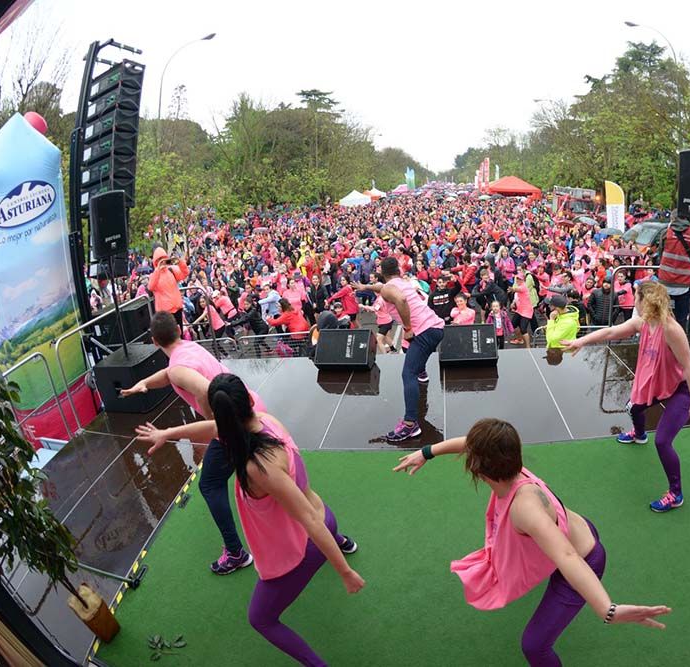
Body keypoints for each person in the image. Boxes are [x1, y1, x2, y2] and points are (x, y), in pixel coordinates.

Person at [393, 418, 670, 666]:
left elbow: (567, 558)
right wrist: (425, 453)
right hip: (580, 527)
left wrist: (608, 610)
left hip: (582, 559)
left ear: (478, 469)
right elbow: (470, 443)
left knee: (534, 646)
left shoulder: (524, 509)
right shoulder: (511, 463)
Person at [134, 373, 363, 665]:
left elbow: (308, 521)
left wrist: (344, 572)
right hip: (325, 516)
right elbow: (212, 428)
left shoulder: (258, 466)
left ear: (227, 417)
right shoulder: (267, 421)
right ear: (249, 400)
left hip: (307, 546)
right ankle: (342, 541)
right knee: (321, 523)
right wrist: (167, 432)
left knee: (261, 619)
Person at [119, 312, 262, 574]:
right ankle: (322, 530)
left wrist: (212, 421)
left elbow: (206, 390)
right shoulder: (188, 348)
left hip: (233, 424)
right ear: (178, 330)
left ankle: (235, 553)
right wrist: (144, 383)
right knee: (270, 472)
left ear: (154, 341)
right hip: (250, 410)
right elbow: (171, 373)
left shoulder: (178, 368)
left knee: (210, 484)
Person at [561, 281, 690, 512]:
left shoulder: (672, 330)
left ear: (644, 302)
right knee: (634, 407)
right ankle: (639, 434)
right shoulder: (642, 323)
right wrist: (581, 341)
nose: (632, 299)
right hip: (659, 382)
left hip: (682, 388)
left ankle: (676, 494)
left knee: (663, 441)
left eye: (635, 296)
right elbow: (610, 331)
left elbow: (688, 368)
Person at [356, 256, 445, 442]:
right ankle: (422, 372)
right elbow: (384, 288)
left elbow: (401, 300)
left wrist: (407, 329)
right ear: (399, 270)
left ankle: (410, 425)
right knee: (416, 362)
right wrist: (366, 287)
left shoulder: (391, 288)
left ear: (382, 273)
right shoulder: (400, 282)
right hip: (436, 327)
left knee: (407, 374)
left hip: (423, 332)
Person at [657, 218, 690, 330]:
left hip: (665, 281)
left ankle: (661, 342)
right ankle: (679, 341)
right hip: (684, 283)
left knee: (662, 316)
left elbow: (660, 253)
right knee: (681, 318)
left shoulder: (666, 232)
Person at [148, 246, 189, 328]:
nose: (162, 262)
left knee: (179, 334)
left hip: (177, 309)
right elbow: (151, 287)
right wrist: (158, 270)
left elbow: (185, 274)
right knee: (170, 337)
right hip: (165, 314)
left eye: (164, 259)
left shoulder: (171, 270)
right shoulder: (154, 275)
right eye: (160, 260)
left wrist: (180, 262)